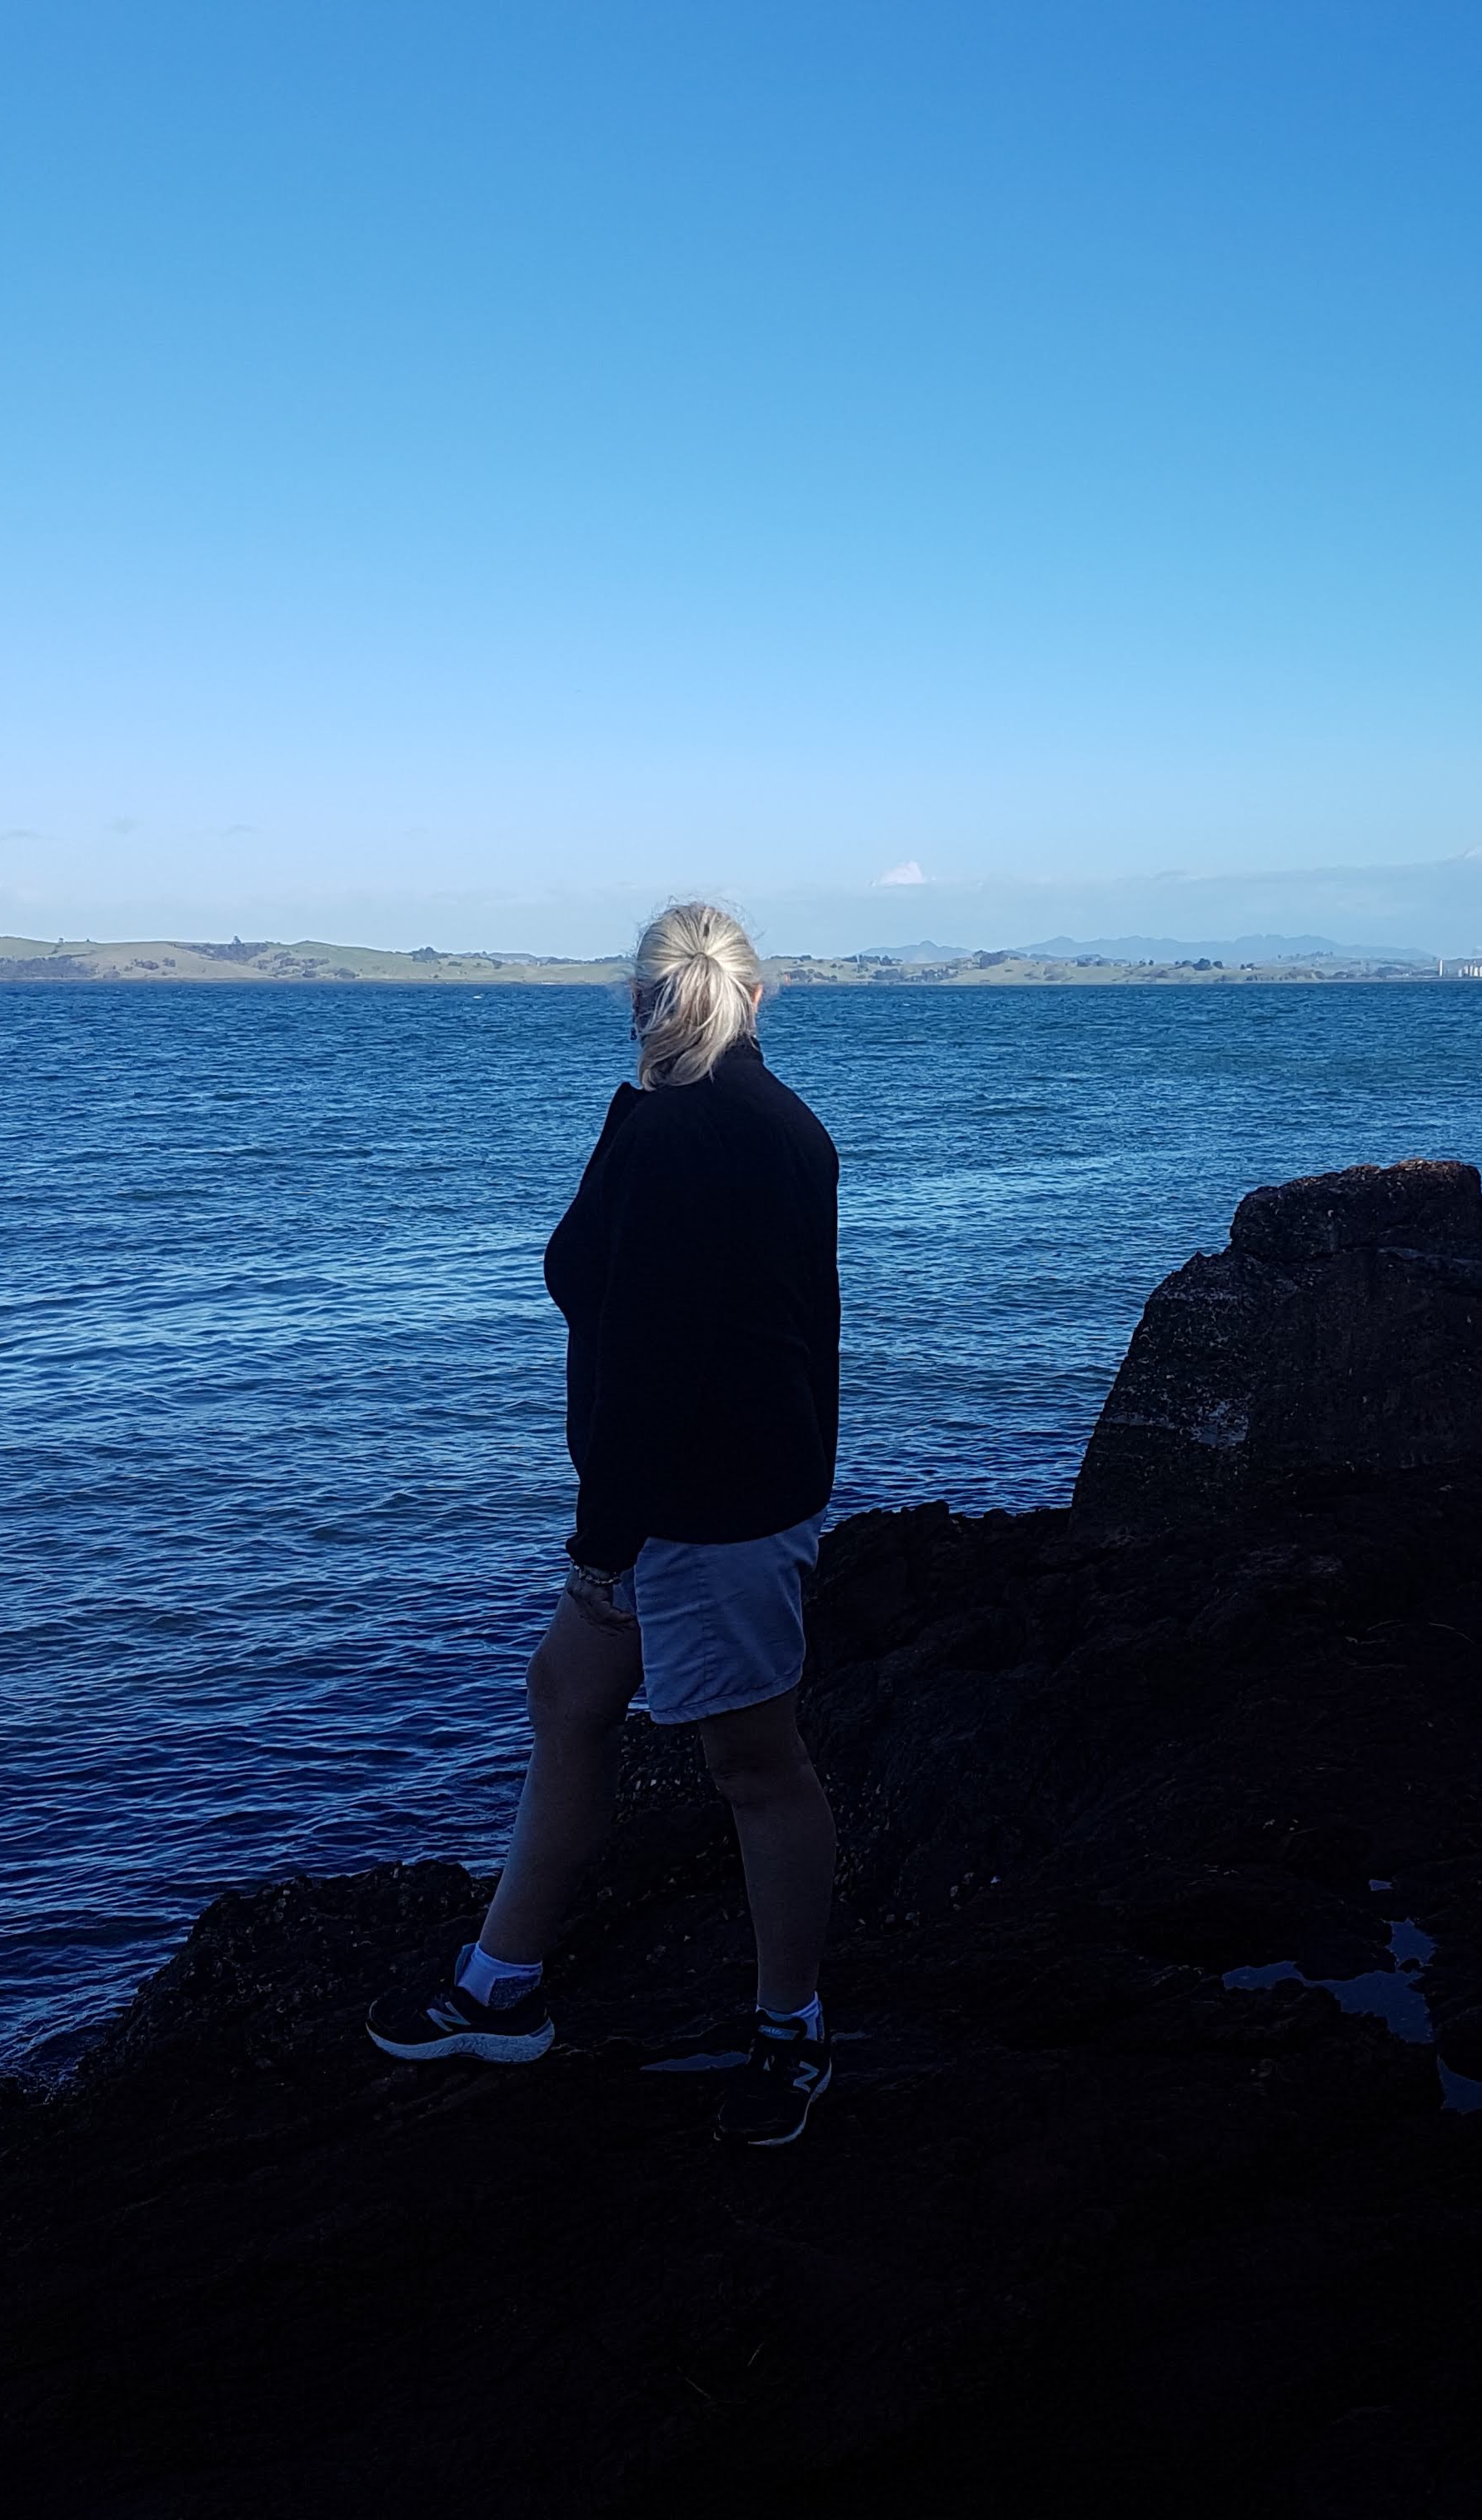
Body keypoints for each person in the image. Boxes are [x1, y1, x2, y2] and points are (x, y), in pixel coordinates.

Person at [367, 902, 844, 2147]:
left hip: (703, 1507)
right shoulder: (775, 1124)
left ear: (641, 1003)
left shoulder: (682, 1135)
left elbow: (650, 1361)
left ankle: (791, 2032)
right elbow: (810, 1330)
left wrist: (604, 1546)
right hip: (734, 1490)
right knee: (568, 1700)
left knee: (755, 1767)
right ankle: (501, 1987)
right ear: (758, 998)